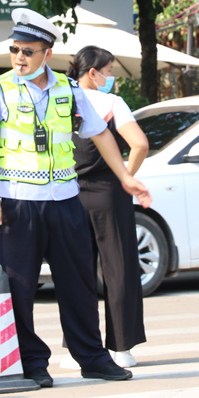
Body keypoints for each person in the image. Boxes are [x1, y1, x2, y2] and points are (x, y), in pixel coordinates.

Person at [0, 8, 152, 388]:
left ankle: (93, 358)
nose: (19, 57)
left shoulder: (69, 90)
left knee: (80, 283)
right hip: (17, 202)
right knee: (19, 287)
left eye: (29, 51)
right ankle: (32, 362)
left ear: (47, 54)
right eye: (15, 49)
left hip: (66, 199)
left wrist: (125, 177)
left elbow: (101, 134)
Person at [66, 46, 150, 369]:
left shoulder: (63, 101)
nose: (111, 77)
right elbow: (139, 143)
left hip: (70, 194)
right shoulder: (112, 103)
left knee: (77, 272)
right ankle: (122, 347)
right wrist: (126, 174)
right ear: (93, 73)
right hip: (110, 194)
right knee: (119, 269)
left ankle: (80, 349)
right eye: (109, 71)